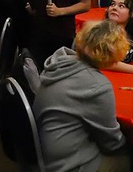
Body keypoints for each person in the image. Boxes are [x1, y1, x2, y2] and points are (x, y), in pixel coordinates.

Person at [34, 20, 128, 172]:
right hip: (68, 164)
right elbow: (112, 143)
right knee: (130, 159)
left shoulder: (61, 61)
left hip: (48, 150)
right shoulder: (96, 85)